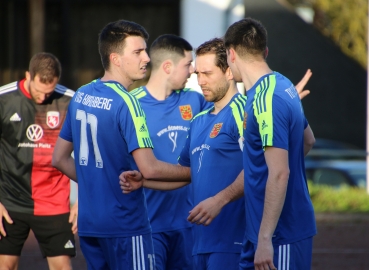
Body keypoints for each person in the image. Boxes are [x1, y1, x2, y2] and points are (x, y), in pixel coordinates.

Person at [120, 37, 312, 269]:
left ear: (229, 71)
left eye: (207, 74)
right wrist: (146, 182)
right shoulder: (199, 119)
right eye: (198, 73)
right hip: (200, 241)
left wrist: (219, 201)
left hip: (233, 240)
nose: (200, 81)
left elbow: (261, 167)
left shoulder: (244, 111)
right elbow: (189, 173)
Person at [52, 20, 192, 270]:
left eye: (145, 51)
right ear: (116, 59)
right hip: (126, 226)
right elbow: (149, 169)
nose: (147, 58)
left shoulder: (82, 95)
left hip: (90, 226)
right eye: (138, 52)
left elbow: (59, 159)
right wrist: (195, 173)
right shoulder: (127, 102)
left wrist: (98, 184)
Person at [224, 18, 316, 270]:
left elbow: (280, 173)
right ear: (265, 51)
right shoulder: (284, 85)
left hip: (278, 235)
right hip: (263, 231)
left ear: (231, 54)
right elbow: (308, 140)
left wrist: (265, 238)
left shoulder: (266, 100)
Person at [130, 34, 211, 270]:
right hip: (148, 225)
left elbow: (229, 115)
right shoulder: (131, 104)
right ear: (167, 66)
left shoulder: (196, 101)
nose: (193, 70)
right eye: (188, 64)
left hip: (190, 225)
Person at [0, 52, 77, 270]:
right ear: (28, 76)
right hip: (10, 199)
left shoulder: (71, 101)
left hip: (54, 201)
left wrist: (84, 199)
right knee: (5, 265)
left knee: (62, 266)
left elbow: (89, 153)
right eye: (38, 91)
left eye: (49, 92)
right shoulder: (4, 99)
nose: (43, 98)